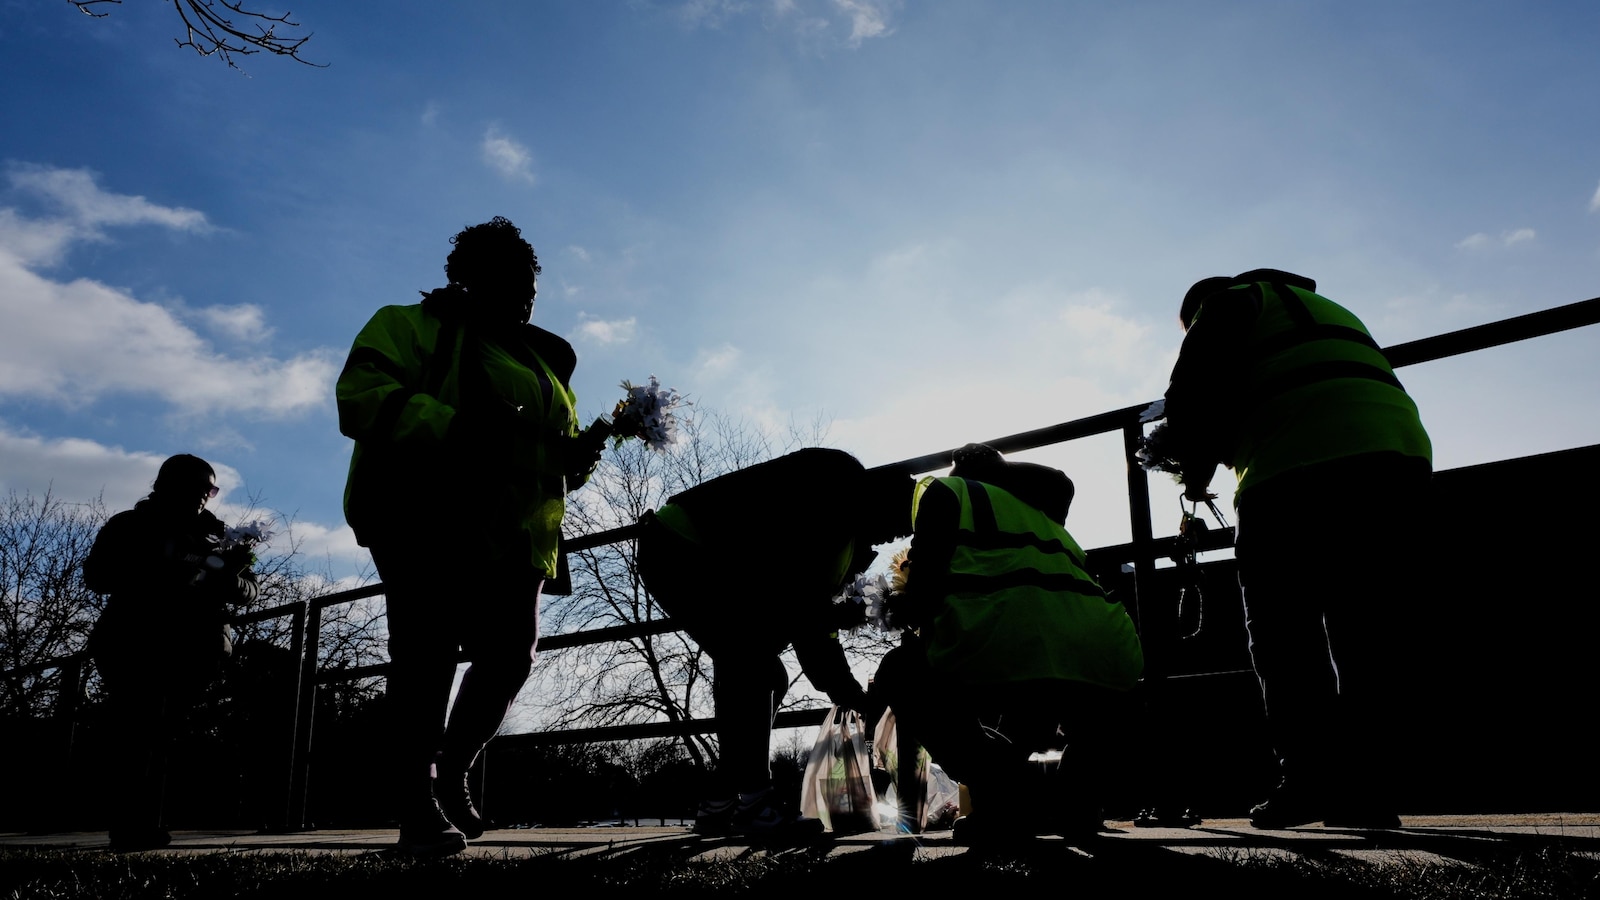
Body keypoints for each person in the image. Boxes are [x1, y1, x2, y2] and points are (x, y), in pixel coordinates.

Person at [337, 216, 601, 856]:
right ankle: (415, 798)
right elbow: (362, 397)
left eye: (532, 283)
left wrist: (576, 457)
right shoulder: (407, 324)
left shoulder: (543, 355)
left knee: (512, 652)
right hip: (423, 512)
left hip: (517, 530)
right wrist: (460, 432)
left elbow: (539, 442)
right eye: (510, 279)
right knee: (426, 653)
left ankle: (453, 768)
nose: (526, 295)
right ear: (465, 277)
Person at [1159, 268, 1432, 829]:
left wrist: (1181, 461)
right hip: (1395, 457)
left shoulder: (1227, 303)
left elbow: (1190, 396)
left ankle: (1309, 781)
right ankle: (1367, 788)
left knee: (1285, 634)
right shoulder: (1320, 306)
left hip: (1294, 469)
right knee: (1369, 629)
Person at [633, 447, 915, 843]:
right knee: (753, 664)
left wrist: (833, 646)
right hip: (685, 548)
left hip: (704, 554)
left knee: (765, 672)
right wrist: (845, 689)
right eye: (893, 525)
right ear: (876, 501)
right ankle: (753, 804)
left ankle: (719, 802)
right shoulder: (835, 500)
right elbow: (804, 607)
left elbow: (806, 605)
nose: (891, 537)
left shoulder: (846, 522)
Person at [873, 444, 1144, 844]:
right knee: (1042, 690)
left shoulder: (948, 494)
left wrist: (893, 607)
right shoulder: (1042, 512)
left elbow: (925, 592)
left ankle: (1002, 792)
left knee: (900, 671)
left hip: (1004, 641)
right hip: (1106, 649)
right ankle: (1075, 802)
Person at [84, 454, 260, 852]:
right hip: (133, 640)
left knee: (164, 733)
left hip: (196, 646)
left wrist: (227, 578)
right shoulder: (129, 525)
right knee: (140, 728)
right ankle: (133, 825)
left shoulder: (220, 536)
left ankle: (147, 820)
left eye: (211, 488)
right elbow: (96, 576)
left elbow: (251, 589)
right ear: (168, 483)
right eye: (200, 485)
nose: (205, 495)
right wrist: (158, 571)